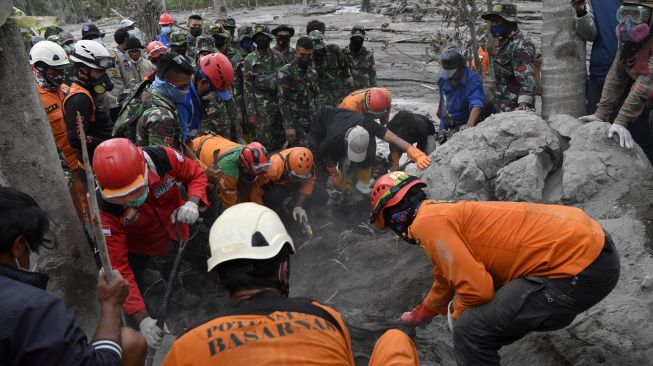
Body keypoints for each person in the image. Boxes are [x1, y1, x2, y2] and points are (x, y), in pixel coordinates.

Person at [369, 171, 620, 366]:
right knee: (483, 316)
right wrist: (420, 315)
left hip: (580, 268)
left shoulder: (425, 224)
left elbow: (477, 291)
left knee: (470, 330)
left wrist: (457, 317)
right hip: (592, 246)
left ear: (393, 216)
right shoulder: (439, 212)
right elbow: (446, 275)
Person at [162, 202, 419, 366]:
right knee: (394, 339)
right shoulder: (326, 317)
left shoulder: (187, 346)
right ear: (284, 270)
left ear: (220, 275)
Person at [0, 186, 148, 366]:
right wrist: (111, 305)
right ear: (19, 245)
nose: (36, 252)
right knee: (130, 341)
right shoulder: (31, 309)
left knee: (130, 340)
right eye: (35, 245)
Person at [93, 138, 208, 351]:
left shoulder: (161, 158)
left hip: (177, 225)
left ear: (144, 170)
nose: (131, 200)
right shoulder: (104, 212)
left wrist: (193, 201)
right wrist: (143, 318)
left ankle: (186, 291)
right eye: (123, 198)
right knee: (128, 299)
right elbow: (118, 268)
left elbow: (196, 174)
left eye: (135, 191)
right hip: (138, 246)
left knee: (202, 259)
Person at [578, 1, 653, 160]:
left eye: (636, 16)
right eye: (623, 14)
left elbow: (644, 85)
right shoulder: (628, 40)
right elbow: (616, 75)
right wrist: (601, 113)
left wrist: (620, 121)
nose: (628, 23)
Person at [30, 41, 89, 226]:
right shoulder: (33, 99)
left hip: (82, 163)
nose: (61, 75)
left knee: (94, 210)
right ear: (38, 68)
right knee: (78, 217)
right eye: (54, 71)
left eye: (62, 70)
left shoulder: (65, 90)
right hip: (64, 171)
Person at [308, 108, 431, 195]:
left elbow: (393, 138)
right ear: (346, 141)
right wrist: (333, 172)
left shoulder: (368, 124)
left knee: (353, 159)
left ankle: (349, 183)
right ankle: (317, 194)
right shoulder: (331, 139)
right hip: (322, 124)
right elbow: (323, 151)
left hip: (345, 123)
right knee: (320, 166)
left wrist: (414, 151)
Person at [64, 40, 116, 163]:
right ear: (82, 71)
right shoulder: (79, 99)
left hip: (107, 155)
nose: (104, 76)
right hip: (97, 162)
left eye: (104, 71)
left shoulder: (92, 90)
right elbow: (77, 139)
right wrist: (110, 144)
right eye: (99, 71)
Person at [482, 2, 536, 112]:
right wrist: (495, 54)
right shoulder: (505, 40)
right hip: (501, 105)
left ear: (509, 22)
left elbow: (527, 80)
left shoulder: (520, 45)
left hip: (513, 109)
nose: (493, 25)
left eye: (496, 21)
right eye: (491, 21)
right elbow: (508, 66)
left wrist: (523, 105)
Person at [251, 147, 328, 225]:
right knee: (276, 194)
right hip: (279, 186)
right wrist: (261, 214)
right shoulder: (272, 170)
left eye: (302, 178)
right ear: (287, 167)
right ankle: (277, 211)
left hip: (292, 184)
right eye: (296, 177)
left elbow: (309, 182)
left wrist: (299, 205)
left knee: (322, 195)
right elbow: (256, 193)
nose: (298, 179)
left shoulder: (309, 166)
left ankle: (292, 206)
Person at [135, 53, 194, 152]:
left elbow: (178, 142)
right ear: (165, 82)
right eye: (181, 87)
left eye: (187, 86)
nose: (185, 91)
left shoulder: (151, 90)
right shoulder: (162, 117)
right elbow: (164, 160)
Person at [192, 135, 271, 208]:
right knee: (210, 189)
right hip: (195, 148)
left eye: (266, 166)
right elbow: (229, 202)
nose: (263, 172)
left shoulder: (246, 151)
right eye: (258, 169)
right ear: (245, 165)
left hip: (214, 140)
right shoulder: (229, 171)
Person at [573, 0, 620, 115]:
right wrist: (581, 12)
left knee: (637, 128)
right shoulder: (597, 2)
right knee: (594, 126)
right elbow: (590, 34)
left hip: (636, 75)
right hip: (602, 71)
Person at [243, 24, 286, 149]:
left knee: (281, 138)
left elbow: (285, 81)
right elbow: (247, 88)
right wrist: (251, 113)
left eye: (264, 36)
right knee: (263, 141)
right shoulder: (250, 60)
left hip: (279, 105)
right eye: (258, 37)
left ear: (270, 38)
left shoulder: (279, 57)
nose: (261, 39)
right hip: (261, 109)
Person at [178, 53, 237, 143]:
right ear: (203, 83)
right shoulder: (183, 102)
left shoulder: (200, 96)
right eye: (215, 92)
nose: (216, 96)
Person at [278, 36, 321, 147]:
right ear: (295, 53)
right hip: (295, 121)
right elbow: (283, 100)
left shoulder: (313, 73)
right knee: (300, 152)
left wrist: (319, 119)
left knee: (315, 150)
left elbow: (316, 97)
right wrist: (289, 126)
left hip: (311, 119)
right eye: (302, 54)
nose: (305, 58)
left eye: (309, 55)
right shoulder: (286, 72)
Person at [436, 46, 485, 133]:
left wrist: (469, 125)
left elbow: (477, 104)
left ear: (461, 69)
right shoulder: (443, 78)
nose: (450, 77)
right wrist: (440, 111)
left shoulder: (472, 80)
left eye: (453, 74)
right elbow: (442, 94)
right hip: (445, 125)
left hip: (462, 125)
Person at [309, 30, 354, 107]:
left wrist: (349, 80)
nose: (318, 51)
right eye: (316, 49)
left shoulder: (334, 49)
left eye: (319, 48)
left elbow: (344, 65)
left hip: (338, 88)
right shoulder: (310, 56)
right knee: (327, 113)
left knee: (342, 109)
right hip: (323, 91)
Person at [106, 27, 131, 120]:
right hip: (115, 103)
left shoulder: (120, 55)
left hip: (121, 102)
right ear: (125, 39)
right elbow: (129, 80)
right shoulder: (117, 55)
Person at [344, 25, 377, 89]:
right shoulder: (343, 54)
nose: (357, 41)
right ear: (351, 38)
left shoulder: (368, 54)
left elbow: (372, 76)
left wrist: (375, 90)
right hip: (348, 91)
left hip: (364, 90)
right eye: (355, 39)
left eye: (360, 39)